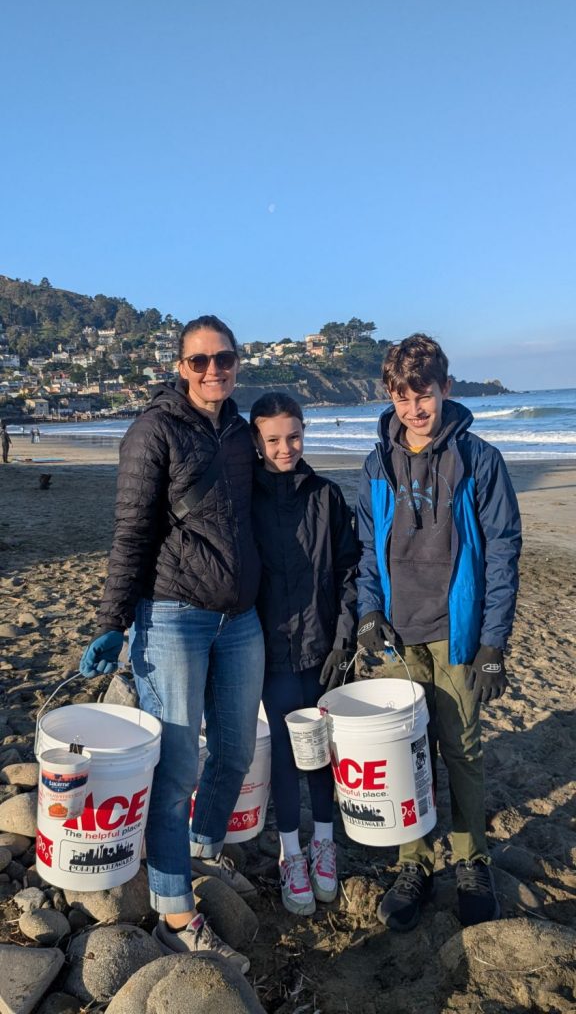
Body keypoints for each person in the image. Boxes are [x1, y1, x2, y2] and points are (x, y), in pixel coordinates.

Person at [79, 316, 265, 973]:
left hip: (240, 619)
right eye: (200, 361)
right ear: (180, 367)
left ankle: (202, 845)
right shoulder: (152, 432)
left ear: (238, 363)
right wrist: (112, 621)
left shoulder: (241, 433)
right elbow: (131, 530)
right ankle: (175, 910)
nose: (214, 370)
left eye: (225, 359)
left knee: (238, 746)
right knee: (178, 763)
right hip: (174, 615)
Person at [355, 333, 521, 932]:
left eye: (422, 395)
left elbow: (503, 553)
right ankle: (415, 862)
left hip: (456, 633)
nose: (413, 409)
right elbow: (366, 551)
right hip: (399, 636)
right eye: (401, 397)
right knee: (408, 753)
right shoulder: (377, 461)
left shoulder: (480, 460)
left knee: (463, 749)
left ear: (445, 390)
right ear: (390, 396)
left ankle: (473, 860)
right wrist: (368, 612)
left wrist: (494, 644)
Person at [250, 392, 358, 916]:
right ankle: (290, 853)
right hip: (267, 652)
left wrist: (344, 639)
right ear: (257, 441)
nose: (285, 447)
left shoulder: (327, 495)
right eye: (273, 439)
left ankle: (323, 844)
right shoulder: (244, 497)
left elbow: (349, 571)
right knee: (288, 758)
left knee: (322, 751)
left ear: (304, 432)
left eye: (293, 436)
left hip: (322, 648)